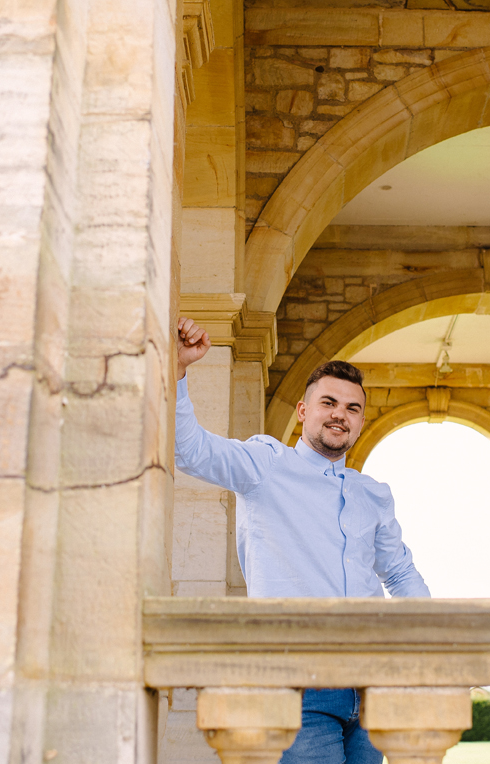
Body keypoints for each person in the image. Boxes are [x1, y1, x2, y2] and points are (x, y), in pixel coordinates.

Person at [174, 317, 429, 764]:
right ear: (303, 411)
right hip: (299, 685)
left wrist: (433, 639)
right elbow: (190, 450)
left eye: (352, 408)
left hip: (372, 685)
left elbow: (400, 573)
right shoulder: (266, 464)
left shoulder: (373, 494)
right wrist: (178, 370)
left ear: (360, 421)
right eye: (328, 402)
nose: (339, 414)